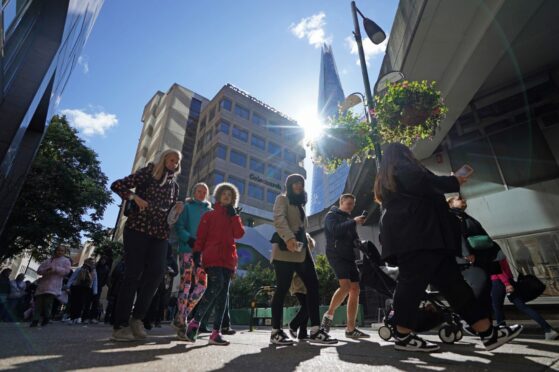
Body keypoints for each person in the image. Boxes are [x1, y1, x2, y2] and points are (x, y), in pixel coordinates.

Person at [374, 143, 522, 352]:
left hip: (423, 238)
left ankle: (488, 333)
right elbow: (427, 182)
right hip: (420, 238)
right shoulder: (403, 167)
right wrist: (454, 180)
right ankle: (402, 335)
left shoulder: (390, 175)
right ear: (403, 154)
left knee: (454, 286)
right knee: (413, 285)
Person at [110, 149, 184, 341]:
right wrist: (134, 197)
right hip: (137, 229)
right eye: (171, 159)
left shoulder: (174, 186)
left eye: (177, 161)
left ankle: (137, 319)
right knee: (132, 275)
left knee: (157, 272)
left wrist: (176, 211)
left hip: (160, 234)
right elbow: (117, 185)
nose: (174, 163)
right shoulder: (147, 173)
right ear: (164, 159)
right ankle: (120, 325)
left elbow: (170, 217)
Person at [269, 174, 337, 345]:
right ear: (289, 185)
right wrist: (289, 238)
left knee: (313, 285)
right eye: (295, 183)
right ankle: (276, 332)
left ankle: (315, 330)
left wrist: (306, 240)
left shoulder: (300, 204)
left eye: (301, 183)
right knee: (282, 289)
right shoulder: (282, 199)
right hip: (285, 251)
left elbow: (299, 227)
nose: (299, 185)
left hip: (301, 252)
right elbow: (279, 219)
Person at [183, 182, 245, 345]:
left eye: (230, 195)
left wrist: (234, 217)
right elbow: (201, 237)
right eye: (224, 193)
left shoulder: (233, 216)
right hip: (213, 258)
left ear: (233, 199)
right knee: (215, 287)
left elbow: (239, 234)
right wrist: (197, 253)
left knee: (223, 296)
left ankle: (215, 333)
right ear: (218, 196)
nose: (226, 196)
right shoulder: (209, 215)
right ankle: (194, 323)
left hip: (229, 260)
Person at [322, 193, 369, 339]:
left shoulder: (349, 219)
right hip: (336, 255)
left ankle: (350, 329)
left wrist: (361, 244)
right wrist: (353, 221)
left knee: (355, 289)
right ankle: (329, 314)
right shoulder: (331, 215)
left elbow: (353, 237)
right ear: (341, 202)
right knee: (346, 286)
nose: (351, 207)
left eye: (352, 205)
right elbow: (335, 230)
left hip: (349, 256)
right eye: (348, 204)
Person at [172, 183, 212, 335]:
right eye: (199, 191)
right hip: (187, 250)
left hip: (203, 253)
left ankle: (182, 315)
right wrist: (188, 239)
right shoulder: (187, 208)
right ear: (194, 192)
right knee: (186, 284)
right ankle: (182, 321)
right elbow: (179, 226)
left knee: (202, 285)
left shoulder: (210, 211)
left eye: (204, 192)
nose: (201, 194)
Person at [491, 258, 558, 340]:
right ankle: (548, 330)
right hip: (508, 280)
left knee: (497, 308)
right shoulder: (496, 250)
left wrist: (506, 284)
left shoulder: (487, 252)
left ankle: (503, 334)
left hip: (498, 281)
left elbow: (497, 269)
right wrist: (509, 281)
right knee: (522, 306)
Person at [31, 245, 72, 327]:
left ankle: (46, 318)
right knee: (38, 303)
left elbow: (67, 271)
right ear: (55, 251)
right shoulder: (48, 260)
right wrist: (46, 270)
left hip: (54, 285)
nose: (59, 252)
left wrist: (55, 269)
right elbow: (39, 270)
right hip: (43, 284)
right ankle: (35, 320)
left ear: (64, 252)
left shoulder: (66, 261)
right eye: (58, 250)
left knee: (48, 303)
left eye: (61, 251)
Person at [65, 258, 98, 324]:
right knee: (75, 302)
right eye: (90, 262)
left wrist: (95, 290)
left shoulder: (93, 271)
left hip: (87, 288)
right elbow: (73, 278)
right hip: (77, 287)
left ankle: (77, 317)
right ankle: (73, 317)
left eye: (93, 263)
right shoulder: (79, 269)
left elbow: (95, 281)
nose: (92, 264)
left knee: (81, 303)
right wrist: (68, 286)